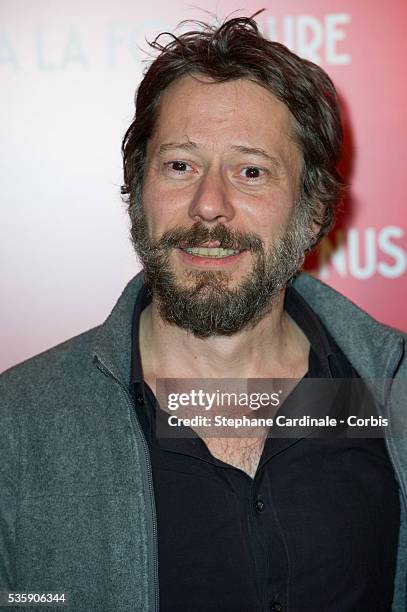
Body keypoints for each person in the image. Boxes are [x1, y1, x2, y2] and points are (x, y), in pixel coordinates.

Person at [1, 12, 406, 612]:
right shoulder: (18, 427)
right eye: (180, 165)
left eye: (250, 172)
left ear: (314, 211)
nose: (209, 206)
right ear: (137, 191)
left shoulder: (389, 391)